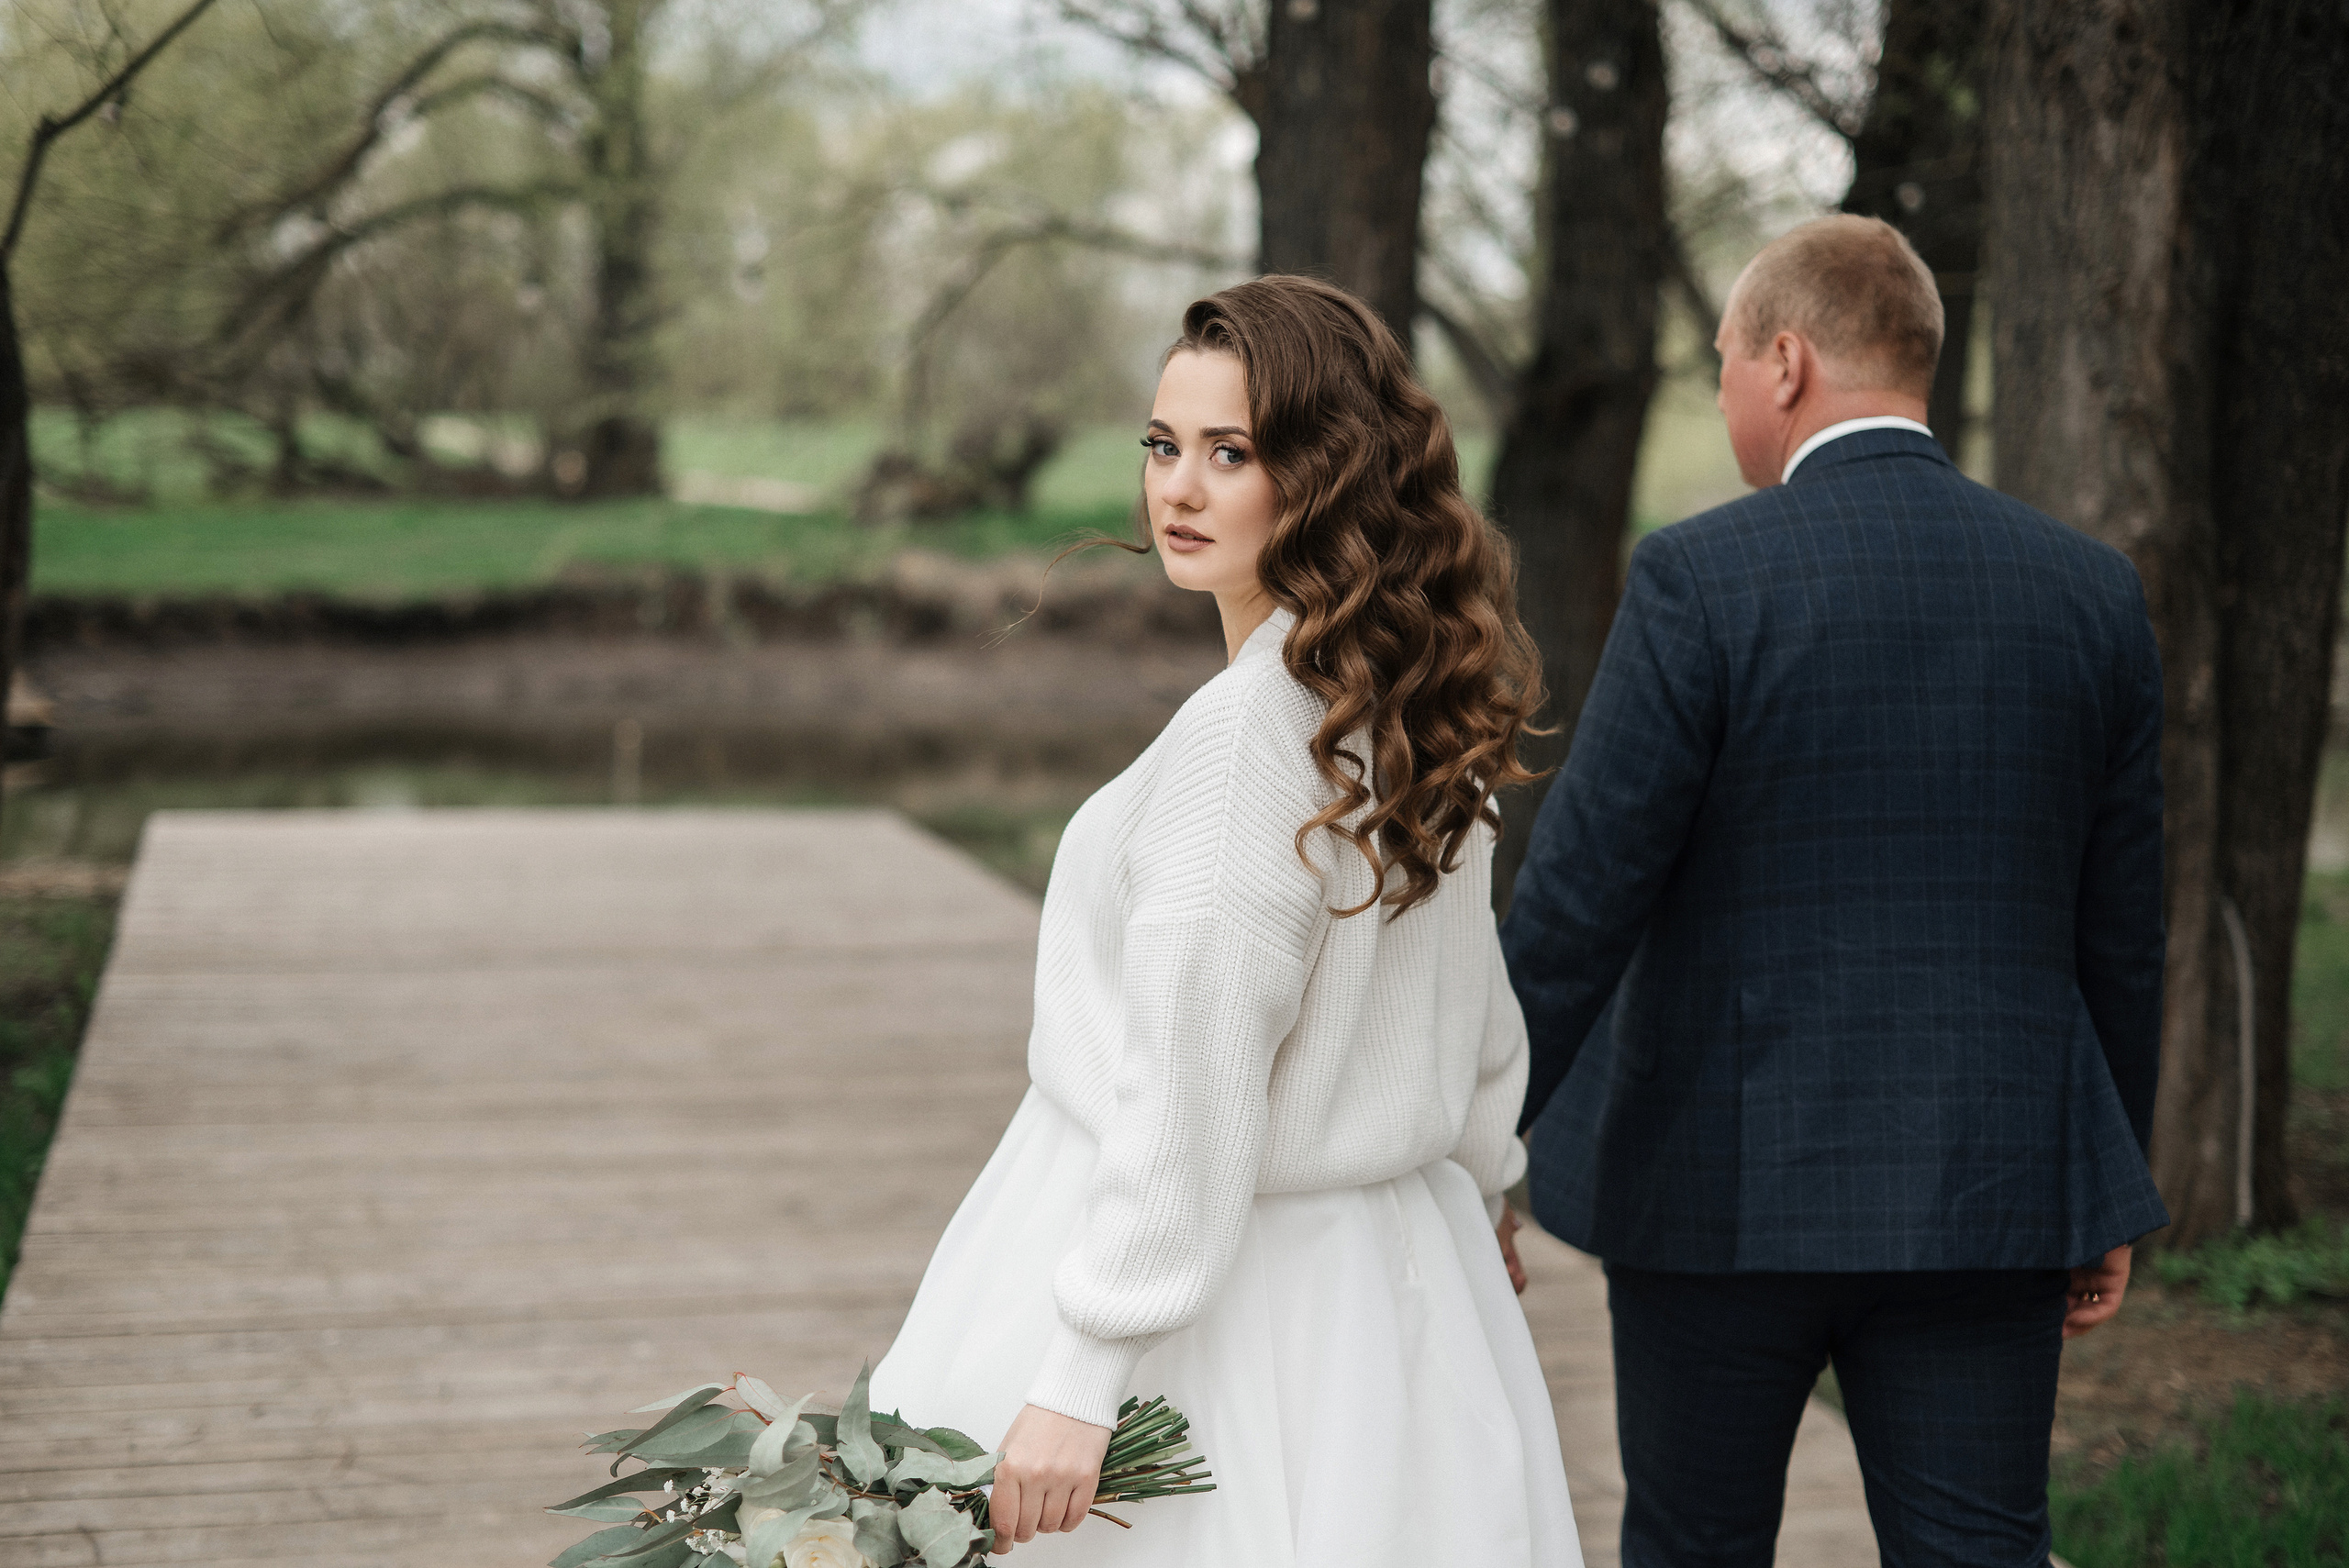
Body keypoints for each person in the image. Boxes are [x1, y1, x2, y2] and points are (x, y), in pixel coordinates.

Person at [870, 275, 1582, 1566]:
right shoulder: (1414, 707)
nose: (1177, 489)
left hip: (1233, 1297)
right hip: (1397, 1277)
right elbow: (1478, 1009)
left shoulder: (1249, 736)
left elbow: (1195, 1072)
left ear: (1327, 476)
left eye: (1230, 453)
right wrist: (1484, 1189)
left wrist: (1082, 1370)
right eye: (1161, 444)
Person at [1499, 213, 2169, 1568]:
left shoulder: (1702, 578)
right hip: (1990, 1184)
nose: (1731, 390)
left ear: (1788, 361)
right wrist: (2107, 1181)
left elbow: (1581, 898)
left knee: (1696, 1548)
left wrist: (1476, 1144)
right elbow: (2122, 927)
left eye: (1727, 361)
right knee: (1982, 1550)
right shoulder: (2091, 593)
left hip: (1717, 1187)